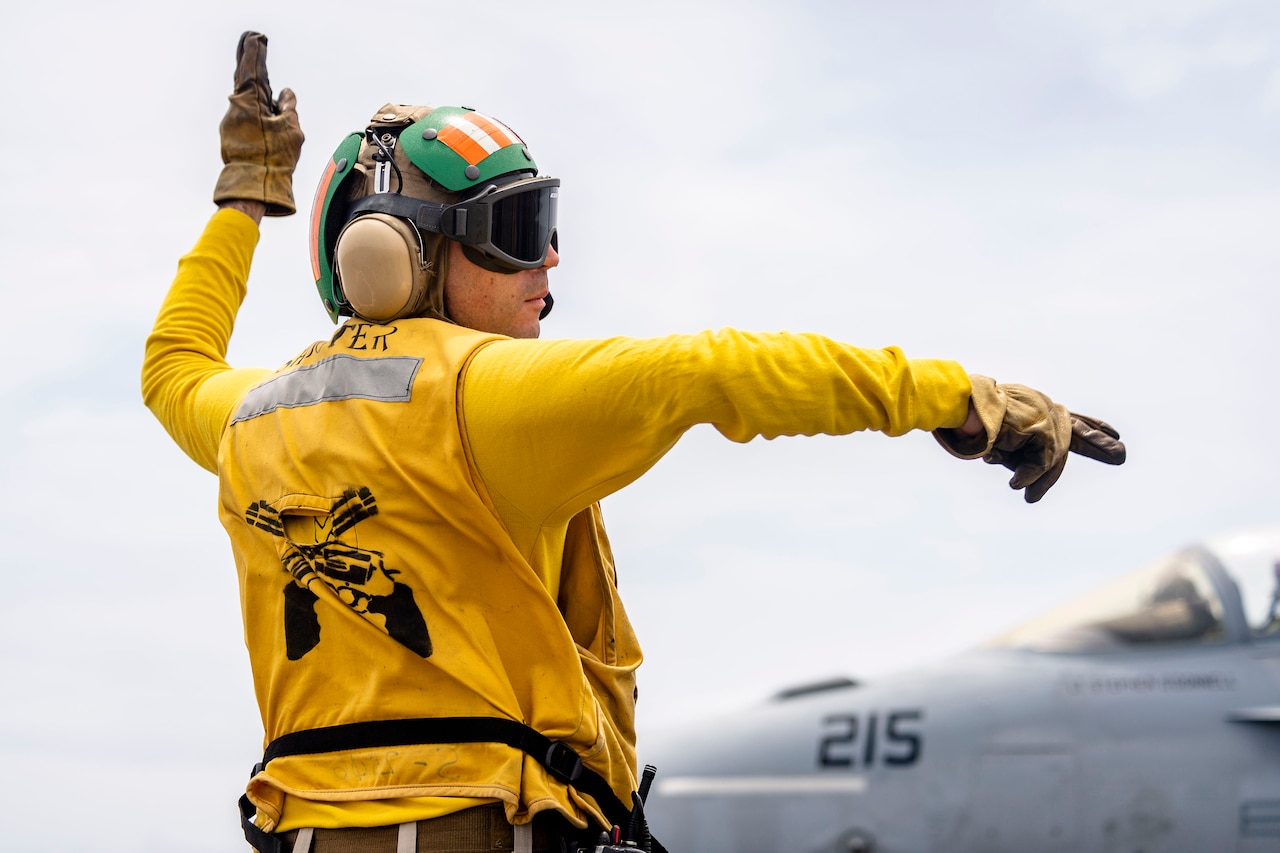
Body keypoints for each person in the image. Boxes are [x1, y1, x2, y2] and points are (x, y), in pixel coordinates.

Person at [142, 32, 1126, 853]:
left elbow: (171, 362)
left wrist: (244, 200)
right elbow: (719, 369)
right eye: (516, 228)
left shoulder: (248, 417)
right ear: (397, 258)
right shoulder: (487, 395)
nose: (549, 258)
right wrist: (965, 402)